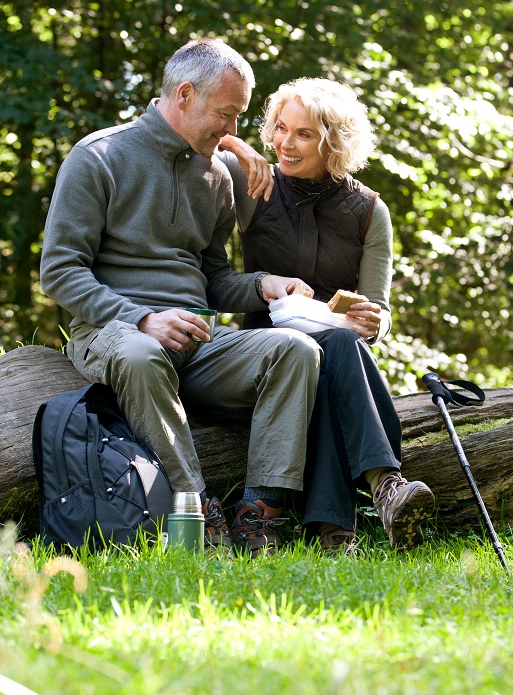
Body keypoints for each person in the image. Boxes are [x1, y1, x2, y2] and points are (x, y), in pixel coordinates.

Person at [39, 39, 322, 556]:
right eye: (227, 115)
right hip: (115, 333)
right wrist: (143, 318)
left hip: (198, 338)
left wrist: (262, 285)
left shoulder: (215, 174)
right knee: (144, 354)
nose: (233, 131)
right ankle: (195, 508)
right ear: (186, 94)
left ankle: (258, 514)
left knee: (295, 350)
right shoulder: (98, 156)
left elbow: (212, 276)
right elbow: (59, 272)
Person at [219, 77, 435, 552]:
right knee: (326, 353)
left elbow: (376, 308)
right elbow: (190, 140)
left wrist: (375, 321)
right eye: (279, 128)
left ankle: (338, 529)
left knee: (340, 344)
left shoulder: (369, 211)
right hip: (263, 350)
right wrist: (235, 144)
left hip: (337, 351)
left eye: (303, 134)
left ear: (332, 141)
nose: (284, 143)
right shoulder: (251, 180)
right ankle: (375, 493)